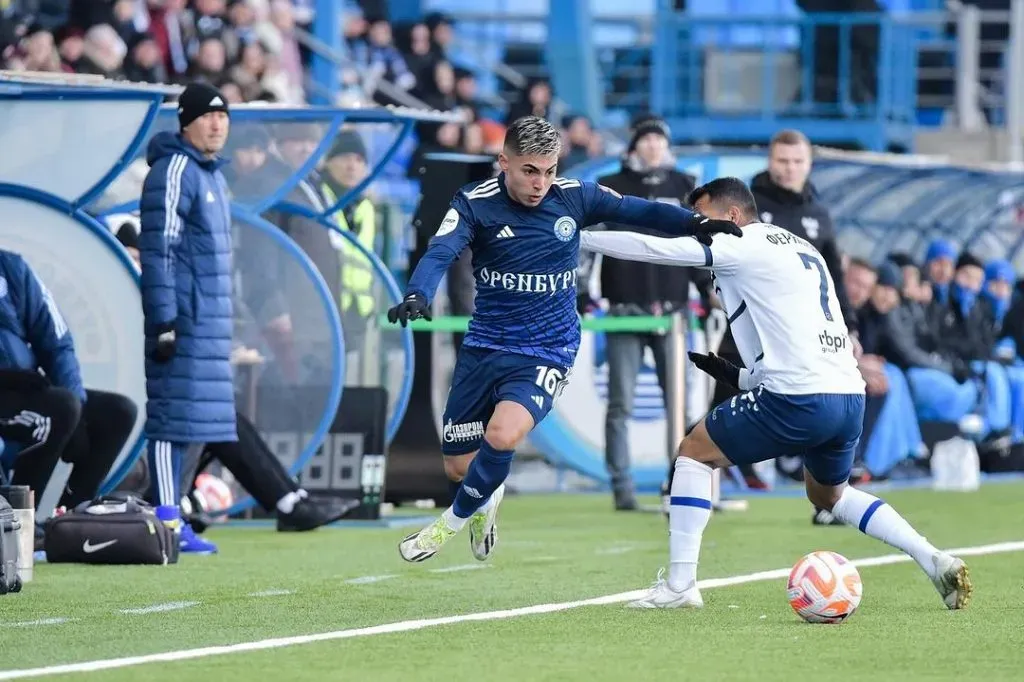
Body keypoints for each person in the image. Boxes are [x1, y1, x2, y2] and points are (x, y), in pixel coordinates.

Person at [579, 177, 971, 611]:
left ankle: (679, 585)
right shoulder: (802, 247)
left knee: (693, 452)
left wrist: (577, 236)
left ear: (730, 215)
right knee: (828, 496)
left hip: (798, 396)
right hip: (846, 396)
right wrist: (739, 376)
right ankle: (931, 557)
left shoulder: (740, 241)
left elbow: (659, 251)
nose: (695, 225)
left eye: (701, 216)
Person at [387, 116, 741, 563]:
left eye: (549, 170)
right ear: (504, 162)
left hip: (546, 349)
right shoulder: (474, 203)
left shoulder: (575, 197)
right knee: (460, 466)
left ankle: (446, 527)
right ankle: (486, 496)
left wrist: (695, 224)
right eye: (529, 171)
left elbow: (640, 209)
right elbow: (440, 250)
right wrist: (418, 292)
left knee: (502, 434)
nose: (540, 183)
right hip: (486, 345)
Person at [139, 82, 236, 555]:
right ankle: (166, 521)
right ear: (185, 122)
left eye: (223, 116)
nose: (217, 123)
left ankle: (176, 516)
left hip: (208, 322)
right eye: (207, 115)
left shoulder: (213, 175)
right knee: (170, 422)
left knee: (193, 423)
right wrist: (163, 319)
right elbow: (160, 248)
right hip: (181, 319)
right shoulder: (176, 168)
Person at [586, 115, 697, 510]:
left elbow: (701, 243)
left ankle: (682, 484)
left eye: (659, 139)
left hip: (674, 315)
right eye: (646, 139)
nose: (653, 146)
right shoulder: (612, 186)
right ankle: (622, 487)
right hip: (624, 311)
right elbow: (587, 242)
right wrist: (583, 291)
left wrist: (710, 291)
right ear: (634, 145)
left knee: (680, 404)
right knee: (621, 404)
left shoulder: (684, 185)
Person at [0, 249, 138, 514]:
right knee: (59, 408)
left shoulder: (11, 267)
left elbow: (57, 343)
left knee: (118, 412)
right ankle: (19, 523)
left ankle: (72, 518)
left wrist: (79, 408)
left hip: (24, 392)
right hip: (8, 393)